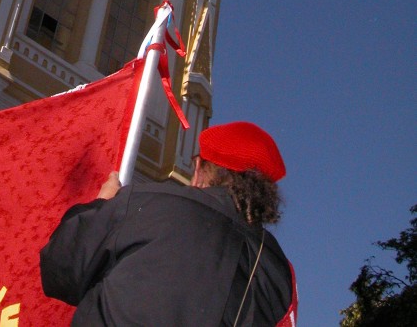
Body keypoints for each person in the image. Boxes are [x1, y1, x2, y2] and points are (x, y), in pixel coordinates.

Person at [40, 121, 297, 325]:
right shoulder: (278, 273)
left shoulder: (147, 204)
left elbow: (59, 266)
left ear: (201, 167)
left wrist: (101, 204)